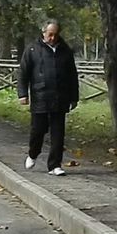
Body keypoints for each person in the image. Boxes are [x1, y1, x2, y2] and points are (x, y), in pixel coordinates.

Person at [17, 19, 79, 176]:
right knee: (38, 131)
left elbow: (72, 75)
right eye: (50, 34)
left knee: (58, 133)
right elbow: (23, 73)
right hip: (40, 97)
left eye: (55, 35)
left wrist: (74, 97)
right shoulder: (32, 49)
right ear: (43, 33)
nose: (53, 38)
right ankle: (33, 153)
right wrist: (23, 94)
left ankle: (54, 165)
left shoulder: (65, 50)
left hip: (60, 97)